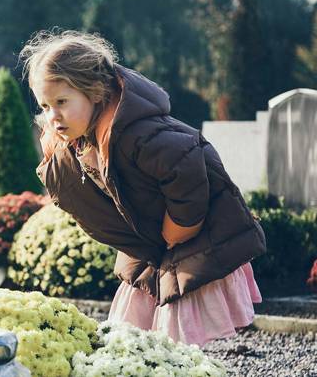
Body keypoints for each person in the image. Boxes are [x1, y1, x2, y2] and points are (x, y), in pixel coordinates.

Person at [20, 29, 265, 346]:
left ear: (95, 92)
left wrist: (179, 228)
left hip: (194, 238)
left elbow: (186, 165)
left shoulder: (139, 133)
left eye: (62, 102)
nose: (53, 116)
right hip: (152, 246)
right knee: (133, 327)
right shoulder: (83, 141)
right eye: (45, 106)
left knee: (178, 336)